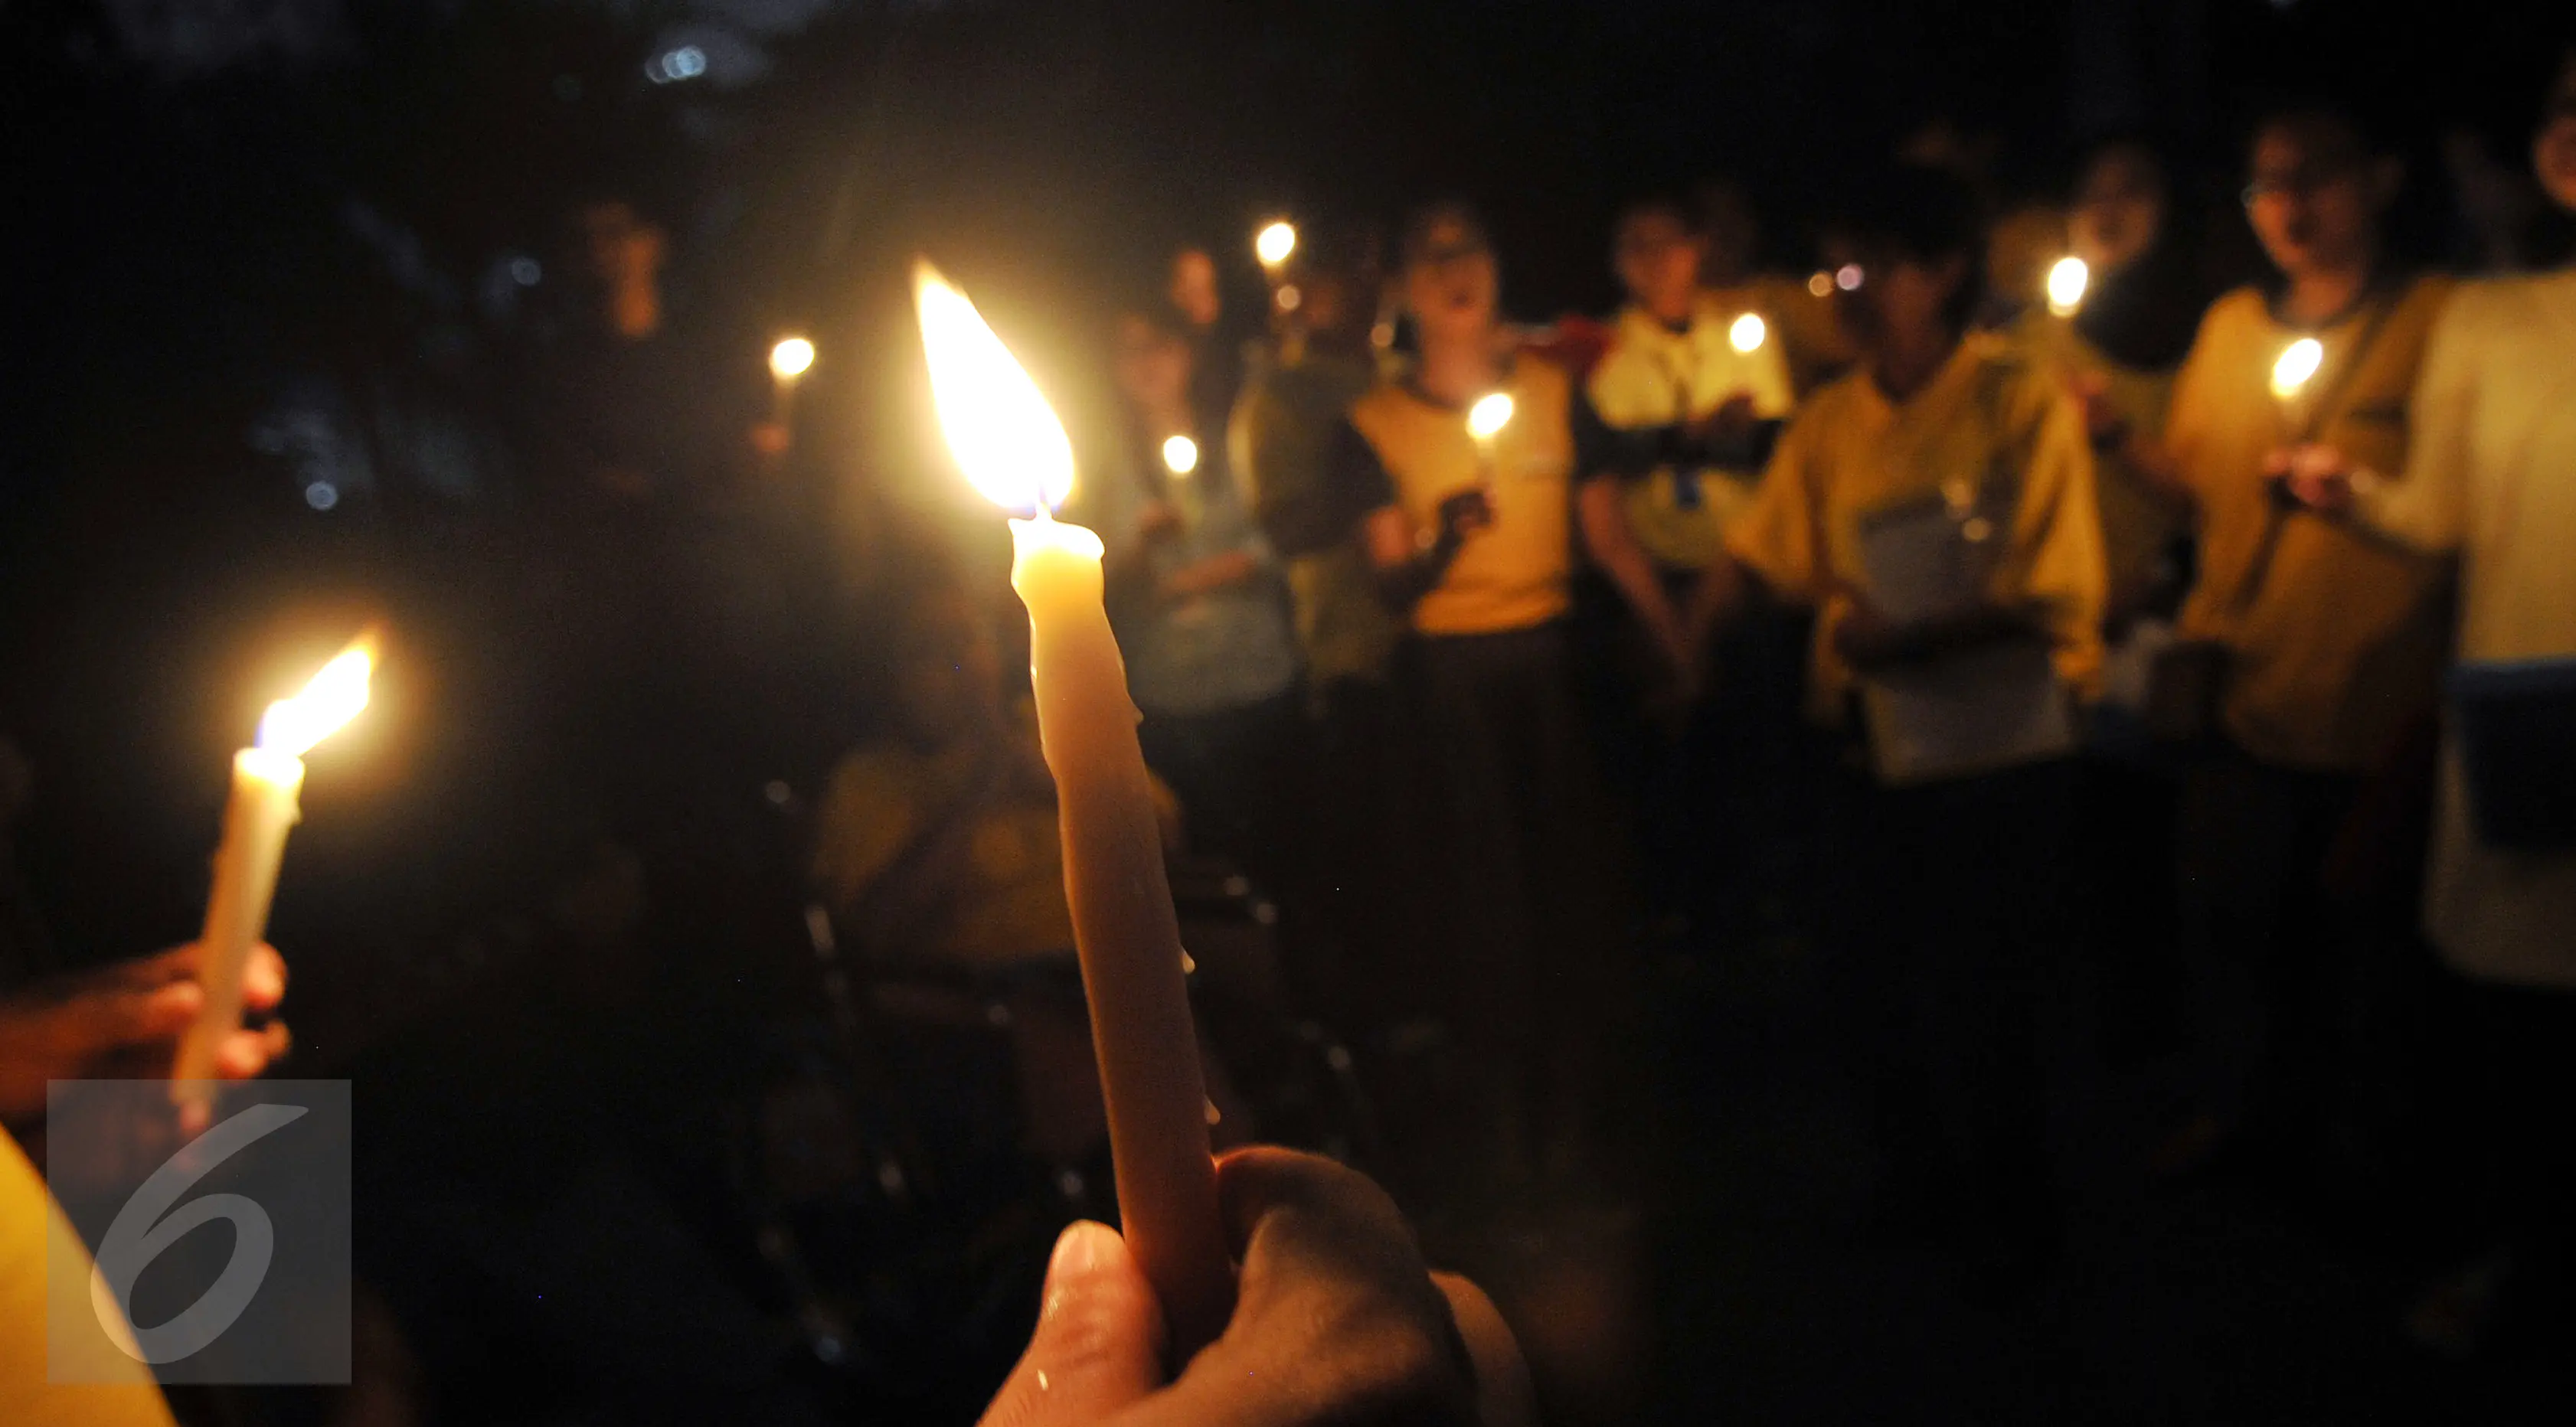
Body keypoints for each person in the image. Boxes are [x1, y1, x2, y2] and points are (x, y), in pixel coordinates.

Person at [1700, 162, 2106, 1285]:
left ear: (1945, 270)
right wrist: (1692, 636)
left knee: (1992, 989)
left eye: (1873, 264)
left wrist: (1914, 639)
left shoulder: (2015, 402)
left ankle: (2021, 1216)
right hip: (1865, 752)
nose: (1847, 288)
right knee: (1870, 981)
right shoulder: (1831, 418)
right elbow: (1772, 554)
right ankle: (1918, 1186)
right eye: (1835, 266)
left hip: (1993, 753)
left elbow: (2052, 588)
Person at [2283, 45, 2576, 1351]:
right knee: (2520, 1031)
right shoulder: (2489, 320)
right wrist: (2352, 495)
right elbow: (2444, 514)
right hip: (2529, 723)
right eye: (2566, 104)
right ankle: (2516, 1252)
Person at [2120, 102, 2455, 1172]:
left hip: (2384, 700)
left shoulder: (2441, 320)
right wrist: (2114, 440)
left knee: (2372, 948)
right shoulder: (2228, 331)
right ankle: (2246, 1118)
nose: (2289, 205)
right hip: (2245, 687)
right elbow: (2194, 485)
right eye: (2266, 185)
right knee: (2233, 926)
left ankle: (2372, 1147)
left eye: (2316, 175)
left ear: (2383, 178)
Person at [1327, 203, 1632, 1188]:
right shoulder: (1371, 427)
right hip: (1449, 680)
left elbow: (1608, 534)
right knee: (1481, 893)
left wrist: (1674, 635)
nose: (1456, 271)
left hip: (1548, 664)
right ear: (1404, 291)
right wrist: (1445, 538)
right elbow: (1391, 580)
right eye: (1432, 256)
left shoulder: (1554, 392)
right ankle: (1504, 1123)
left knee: (1571, 879)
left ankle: (1590, 1111)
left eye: (1472, 249)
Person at [1580, 198, 1805, 929]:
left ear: (1695, 250)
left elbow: (1775, 446)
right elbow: (1609, 459)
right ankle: (1683, 913)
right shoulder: (1609, 355)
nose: (1655, 260)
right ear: (1619, 264)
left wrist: (1731, 435)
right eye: (1635, 246)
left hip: (1739, 565)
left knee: (1751, 733)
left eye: (1667, 243)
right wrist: (1682, 437)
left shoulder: (1739, 336)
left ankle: (1763, 903)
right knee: (1672, 745)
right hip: (1653, 571)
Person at [1231, 229, 1415, 1030]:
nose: (1368, 288)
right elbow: (1286, 527)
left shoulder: (1401, 376)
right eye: (1350, 272)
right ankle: (1379, 1025)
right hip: (1349, 653)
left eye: (1377, 270)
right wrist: (1378, 490)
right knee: (1373, 856)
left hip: (1435, 633)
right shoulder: (1282, 397)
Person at [1084, 309, 1301, 884]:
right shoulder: (1106, 462)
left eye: (1158, 344)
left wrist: (1188, 580)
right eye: (1130, 350)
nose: (1147, 363)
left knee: (1280, 852)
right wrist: (1140, 548)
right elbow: (1089, 573)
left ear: (1187, 354)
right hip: (1169, 691)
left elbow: (1278, 540)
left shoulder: (1237, 435)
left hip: (1254, 676)